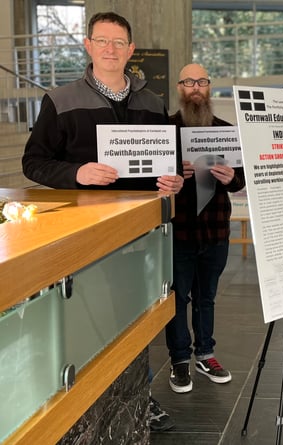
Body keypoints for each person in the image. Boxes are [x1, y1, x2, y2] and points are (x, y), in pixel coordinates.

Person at [22, 11, 181, 432]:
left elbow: (166, 165)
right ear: (89, 46)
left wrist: (172, 179)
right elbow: (33, 163)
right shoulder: (60, 100)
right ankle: (87, 406)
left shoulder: (153, 103)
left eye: (119, 43)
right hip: (88, 235)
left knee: (139, 318)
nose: (111, 49)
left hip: (144, 232)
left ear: (131, 50)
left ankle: (140, 398)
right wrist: (77, 173)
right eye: (102, 41)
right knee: (93, 321)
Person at [165, 63, 246, 393]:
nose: (195, 87)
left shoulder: (226, 131)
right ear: (180, 87)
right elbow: (148, 178)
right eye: (188, 81)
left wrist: (232, 179)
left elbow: (239, 178)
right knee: (177, 299)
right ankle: (180, 359)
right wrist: (172, 174)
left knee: (206, 297)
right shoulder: (165, 132)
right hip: (178, 230)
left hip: (215, 232)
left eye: (201, 81)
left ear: (209, 87)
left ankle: (206, 354)